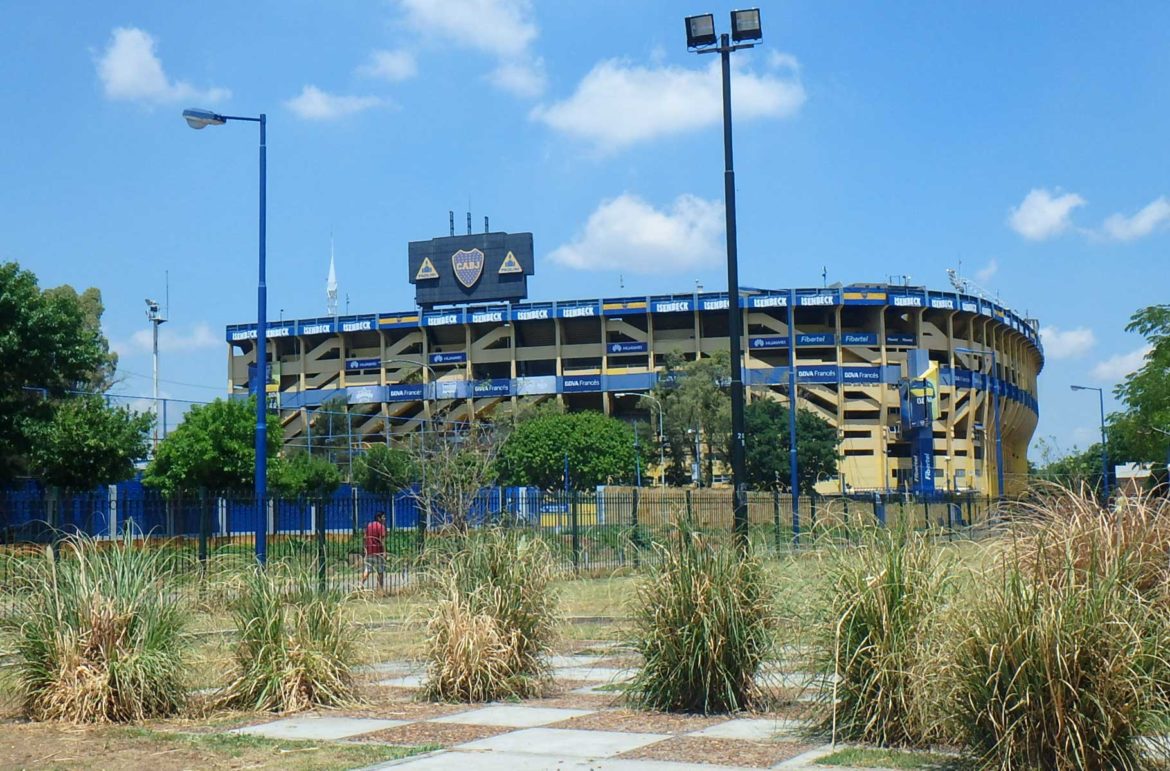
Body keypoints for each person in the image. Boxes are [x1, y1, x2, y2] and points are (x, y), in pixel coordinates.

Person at [361, 511, 387, 593]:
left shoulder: (369, 525)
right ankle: (380, 589)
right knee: (380, 570)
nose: (385, 519)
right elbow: (382, 540)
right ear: (379, 518)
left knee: (367, 569)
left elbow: (364, 537)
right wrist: (384, 551)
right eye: (383, 517)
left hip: (369, 551)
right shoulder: (381, 526)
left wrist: (365, 547)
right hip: (378, 551)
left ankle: (360, 584)